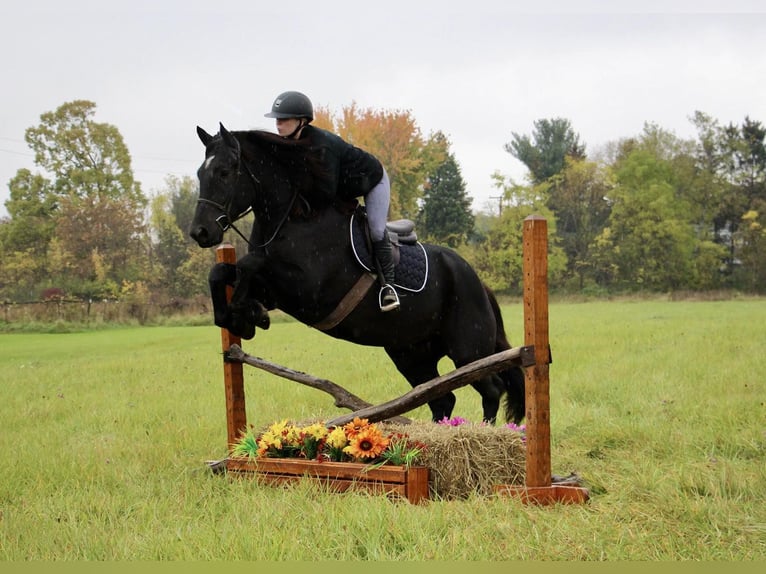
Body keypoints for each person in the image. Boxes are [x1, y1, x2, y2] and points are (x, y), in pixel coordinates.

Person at [264, 90, 400, 312]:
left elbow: (324, 195)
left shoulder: (321, 146)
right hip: (342, 187)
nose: (278, 124)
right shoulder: (290, 144)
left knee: (376, 230)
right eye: (277, 119)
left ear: (301, 121)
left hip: (373, 180)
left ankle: (388, 288)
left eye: (283, 119)